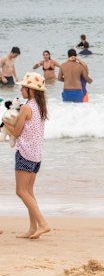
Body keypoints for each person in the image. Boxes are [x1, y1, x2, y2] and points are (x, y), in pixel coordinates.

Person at [4, 72, 51, 239]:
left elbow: (17, 132)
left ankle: (43, 224)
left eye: (24, 87)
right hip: (36, 155)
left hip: (24, 153)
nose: (22, 89)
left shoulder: (26, 107)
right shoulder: (40, 106)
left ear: (31, 90)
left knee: (21, 191)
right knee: (29, 192)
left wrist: (7, 124)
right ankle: (33, 228)